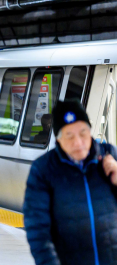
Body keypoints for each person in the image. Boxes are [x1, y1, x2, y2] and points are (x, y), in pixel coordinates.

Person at [24, 100, 117, 265]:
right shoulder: (43, 170)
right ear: (58, 140)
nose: (78, 143)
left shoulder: (110, 156)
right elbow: (38, 231)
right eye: (69, 136)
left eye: (82, 133)